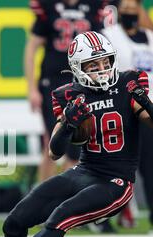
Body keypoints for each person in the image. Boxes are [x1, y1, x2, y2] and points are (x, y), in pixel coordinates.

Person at [0, 31, 153, 237]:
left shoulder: (128, 84)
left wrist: (146, 102)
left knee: (61, 216)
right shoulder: (69, 94)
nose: (103, 69)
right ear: (78, 67)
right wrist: (67, 124)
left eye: (106, 62)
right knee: (14, 221)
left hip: (116, 182)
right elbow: (54, 152)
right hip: (84, 171)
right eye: (94, 65)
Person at [102, 0, 153, 233]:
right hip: (120, 109)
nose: (130, 13)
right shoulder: (109, 36)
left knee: (152, 166)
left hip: (150, 108)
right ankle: (102, 218)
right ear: (118, 11)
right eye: (125, 9)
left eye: (135, 8)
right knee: (112, 167)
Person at [25, 0, 107, 184]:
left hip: (81, 82)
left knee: (78, 143)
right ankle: (42, 197)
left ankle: (66, 198)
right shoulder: (49, 6)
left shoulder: (92, 7)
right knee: (51, 141)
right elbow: (32, 47)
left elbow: (101, 50)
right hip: (52, 82)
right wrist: (31, 88)